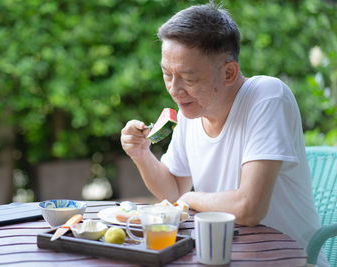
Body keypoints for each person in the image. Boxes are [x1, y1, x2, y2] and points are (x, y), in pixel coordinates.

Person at [120, 2, 329, 266]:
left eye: (188, 78)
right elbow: (172, 192)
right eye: (166, 74)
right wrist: (141, 155)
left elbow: (249, 208)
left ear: (229, 72)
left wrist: (190, 199)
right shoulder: (190, 113)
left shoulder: (267, 97)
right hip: (225, 258)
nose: (174, 89)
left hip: (289, 260)